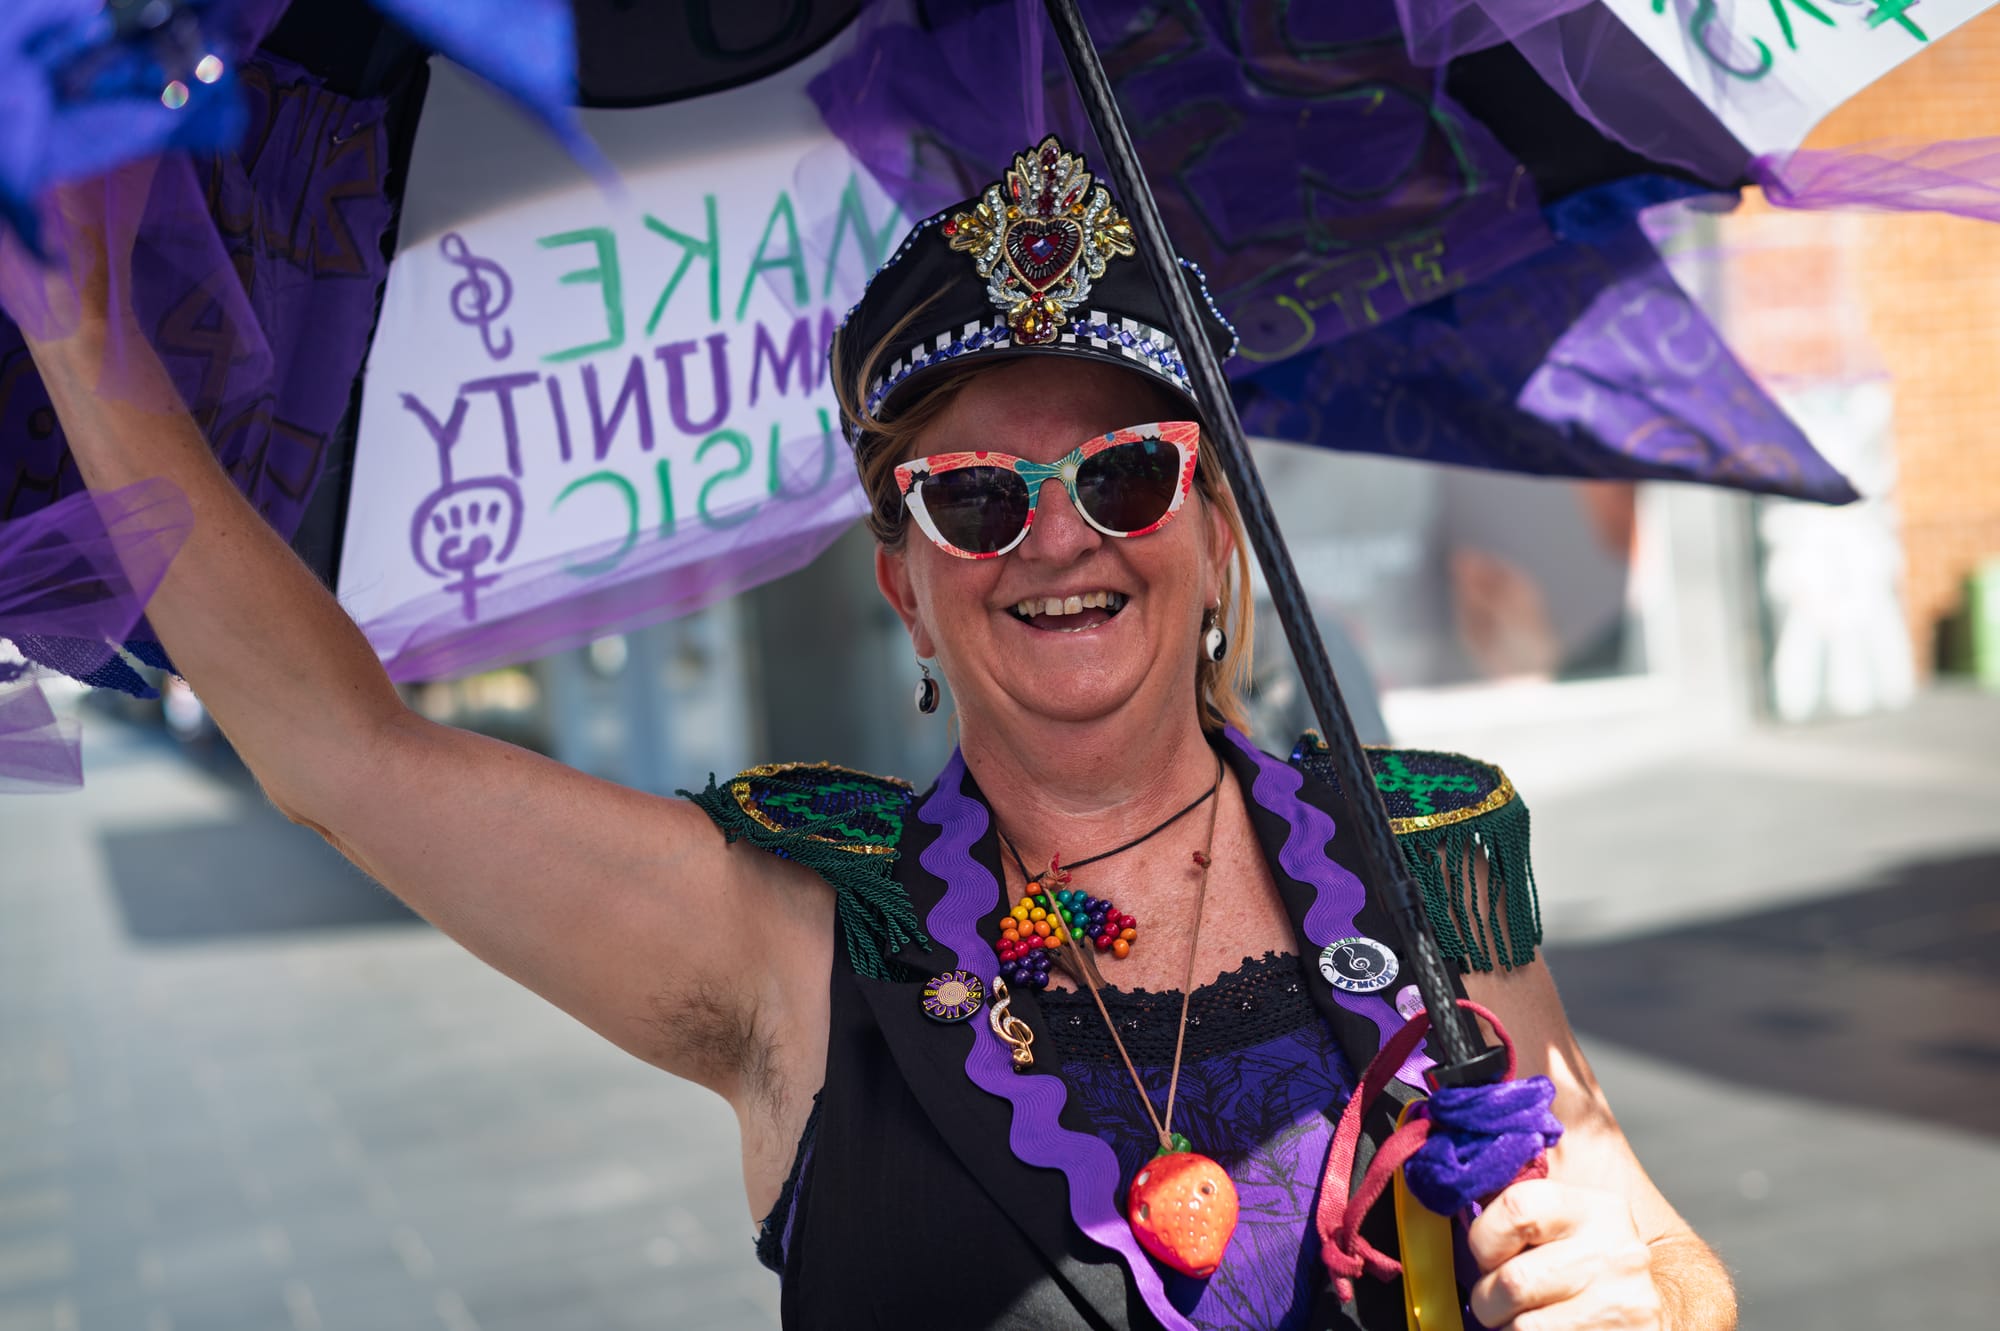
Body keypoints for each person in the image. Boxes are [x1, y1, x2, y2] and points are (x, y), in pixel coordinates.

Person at [17, 139, 1735, 1331]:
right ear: (904, 583)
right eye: (975, 497)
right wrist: (78, 328)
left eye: (1126, 475)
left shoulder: (1423, 867)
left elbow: (1659, 1248)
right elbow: (340, 757)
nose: (1056, 539)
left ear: (1217, 530)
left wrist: (1645, 1292)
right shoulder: (796, 932)